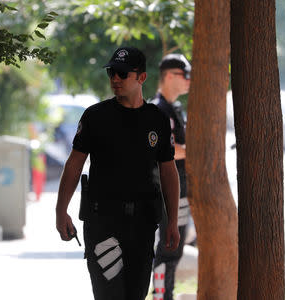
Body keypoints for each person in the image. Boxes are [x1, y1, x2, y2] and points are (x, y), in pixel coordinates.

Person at [55, 46, 181, 300]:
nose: (115, 78)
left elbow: (168, 171)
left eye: (123, 73)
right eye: (112, 72)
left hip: (143, 225)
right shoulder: (95, 116)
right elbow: (74, 164)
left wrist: (173, 221)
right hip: (103, 223)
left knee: (135, 295)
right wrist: (61, 211)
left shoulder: (156, 119)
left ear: (141, 78)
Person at [149, 53, 192, 300]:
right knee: (167, 250)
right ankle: (160, 296)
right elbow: (161, 149)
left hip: (180, 191)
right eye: (183, 74)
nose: (188, 80)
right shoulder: (157, 110)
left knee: (173, 251)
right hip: (166, 193)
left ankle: (166, 294)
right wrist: (190, 150)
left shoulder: (175, 109)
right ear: (168, 76)